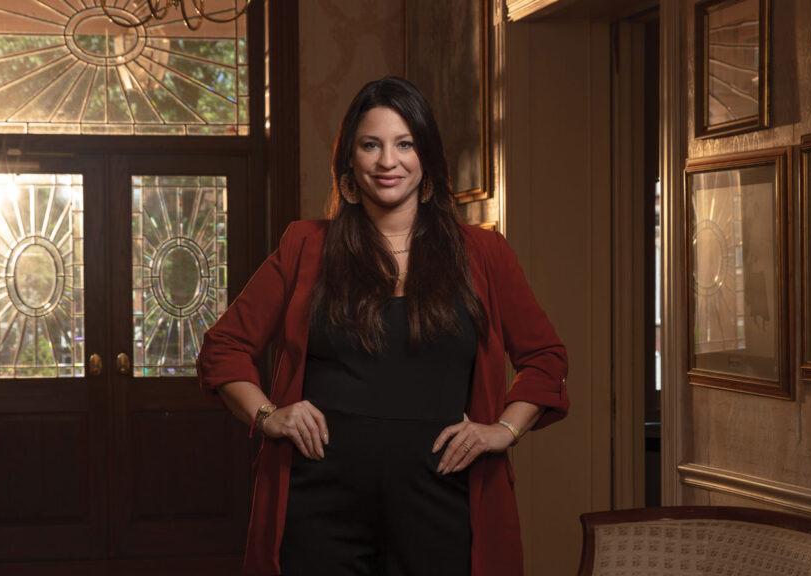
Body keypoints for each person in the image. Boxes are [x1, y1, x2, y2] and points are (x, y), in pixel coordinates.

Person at [197, 76, 569, 576]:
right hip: (319, 508)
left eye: (404, 144)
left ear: (426, 159)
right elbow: (224, 349)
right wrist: (269, 416)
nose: (387, 161)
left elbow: (545, 358)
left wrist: (504, 429)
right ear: (350, 162)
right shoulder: (306, 245)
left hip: (444, 504)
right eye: (370, 145)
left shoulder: (484, 254)